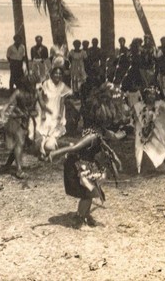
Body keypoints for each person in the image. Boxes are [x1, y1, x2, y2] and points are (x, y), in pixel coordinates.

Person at [48, 98, 125, 229]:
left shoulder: (101, 131)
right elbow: (75, 148)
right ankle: (79, 218)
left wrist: (123, 133)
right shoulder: (92, 135)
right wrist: (55, 153)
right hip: (79, 165)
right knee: (88, 194)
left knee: (91, 192)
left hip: (88, 164)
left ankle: (85, 215)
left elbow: (113, 137)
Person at [133, 87, 165, 176]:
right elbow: (132, 117)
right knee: (141, 148)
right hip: (144, 132)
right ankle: (140, 169)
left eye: (153, 94)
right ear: (144, 96)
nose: (151, 96)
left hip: (158, 130)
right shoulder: (138, 106)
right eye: (148, 94)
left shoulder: (159, 104)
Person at [35, 67, 72, 157]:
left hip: (56, 110)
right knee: (43, 129)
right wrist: (43, 113)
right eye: (56, 73)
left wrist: (60, 114)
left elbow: (62, 102)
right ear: (52, 74)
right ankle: (41, 147)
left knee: (53, 131)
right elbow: (42, 100)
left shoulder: (62, 85)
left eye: (60, 73)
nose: (58, 75)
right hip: (46, 109)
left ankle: (49, 146)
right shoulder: (46, 83)